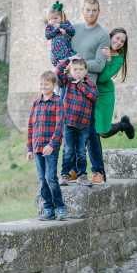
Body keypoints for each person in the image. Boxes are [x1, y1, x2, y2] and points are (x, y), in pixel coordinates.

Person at [71, 0, 110, 184]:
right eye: (88, 10)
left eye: (94, 10)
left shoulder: (103, 35)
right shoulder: (75, 30)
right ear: (82, 10)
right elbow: (63, 53)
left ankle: (98, 171)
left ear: (99, 11)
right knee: (70, 130)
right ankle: (73, 170)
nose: (91, 13)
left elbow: (100, 64)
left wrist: (79, 65)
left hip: (88, 89)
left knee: (90, 132)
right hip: (69, 88)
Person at [26, 70, 67, 221]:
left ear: (53, 84)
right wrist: (29, 148)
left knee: (51, 178)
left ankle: (61, 208)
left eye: (47, 84)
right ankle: (49, 209)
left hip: (50, 148)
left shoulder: (57, 102)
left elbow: (59, 126)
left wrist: (52, 144)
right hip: (37, 147)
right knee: (42, 179)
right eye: (42, 84)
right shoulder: (36, 103)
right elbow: (31, 126)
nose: (44, 86)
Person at [56, 55, 97, 186]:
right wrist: (69, 60)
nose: (78, 72)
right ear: (70, 71)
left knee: (81, 151)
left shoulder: (89, 84)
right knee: (68, 150)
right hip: (68, 123)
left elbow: (94, 96)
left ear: (85, 71)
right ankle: (65, 175)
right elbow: (58, 72)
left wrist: (81, 85)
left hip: (83, 124)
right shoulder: (66, 82)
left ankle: (82, 176)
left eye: (80, 69)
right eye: (75, 69)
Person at [96, 28, 135, 139]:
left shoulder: (119, 59)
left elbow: (103, 78)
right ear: (111, 36)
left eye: (122, 42)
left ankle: (124, 125)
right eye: (117, 38)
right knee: (91, 128)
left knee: (103, 132)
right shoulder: (100, 46)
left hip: (105, 94)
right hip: (91, 91)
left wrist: (108, 59)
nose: (118, 43)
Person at [45, 1, 76, 66]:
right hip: (55, 53)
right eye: (51, 19)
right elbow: (47, 36)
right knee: (58, 69)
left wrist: (61, 26)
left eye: (56, 18)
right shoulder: (50, 26)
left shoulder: (65, 23)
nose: (53, 20)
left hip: (66, 52)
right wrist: (57, 30)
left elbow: (72, 31)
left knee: (67, 67)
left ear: (61, 17)